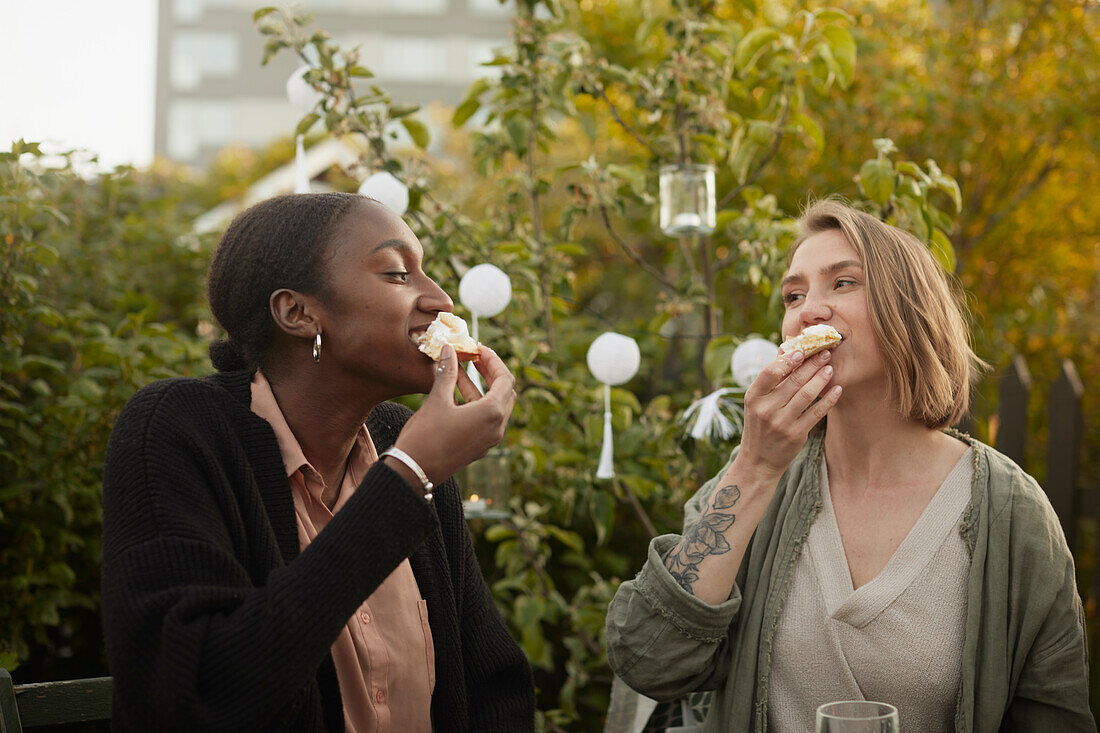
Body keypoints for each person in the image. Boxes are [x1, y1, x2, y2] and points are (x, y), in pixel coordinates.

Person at [605, 198, 1094, 732]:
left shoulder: (1013, 515)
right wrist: (754, 467)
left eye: (843, 283)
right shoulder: (754, 484)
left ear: (910, 312)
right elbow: (646, 659)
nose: (808, 308)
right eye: (794, 295)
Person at [100, 192, 536, 732]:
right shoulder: (177, 429)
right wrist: (408, 475)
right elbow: (198, 691)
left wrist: (413, 466)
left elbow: (493, 686)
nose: (442, 301)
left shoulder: (402, 438)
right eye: (399, 275)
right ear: (299, 312)